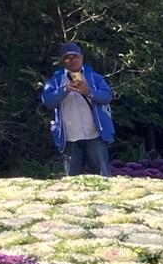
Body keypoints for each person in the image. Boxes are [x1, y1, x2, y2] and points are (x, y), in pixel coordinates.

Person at [40, 42, 115, 177]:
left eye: (75, 56)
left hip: (95, 135)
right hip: (70, 138)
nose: (72, 60)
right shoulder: (56, 81)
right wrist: (64, 89)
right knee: (73, 180)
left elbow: (107, 97)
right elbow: (48, 101)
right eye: (68, 58)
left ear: (81, 57)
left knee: (102, 177)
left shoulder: (94, 77)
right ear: (63, 61)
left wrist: (89, 92)